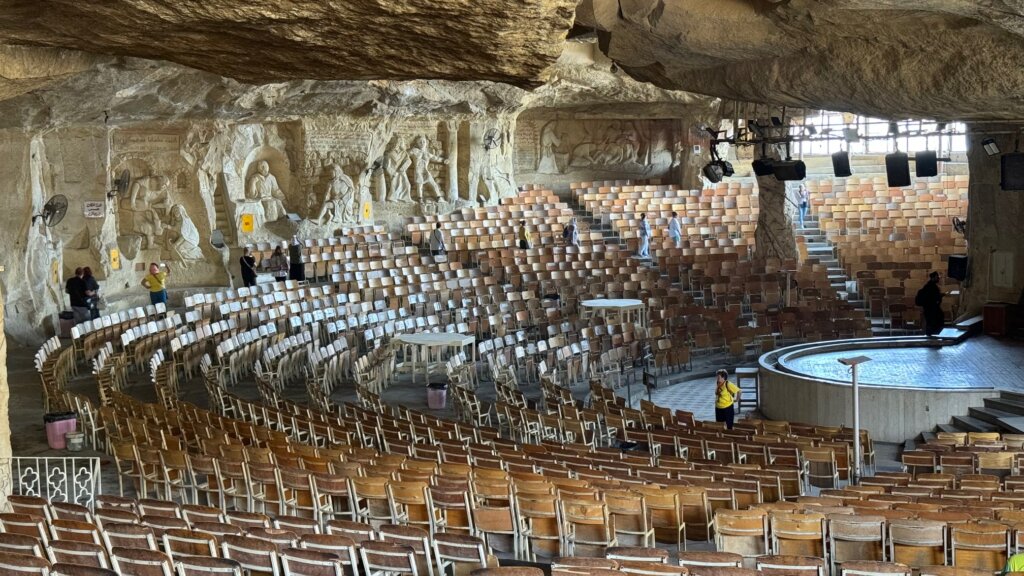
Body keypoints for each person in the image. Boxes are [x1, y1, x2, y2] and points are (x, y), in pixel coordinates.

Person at [916, 271, 946, 336]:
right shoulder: (931, 286)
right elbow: (932, 297)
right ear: (933, 278)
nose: (938, 278)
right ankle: (933, 337)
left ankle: (931, 337)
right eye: (937, 277)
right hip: (931, 309)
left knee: (931, 323)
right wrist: (940, 296)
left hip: (929, 309)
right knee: (932, 323)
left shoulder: (928, 286)